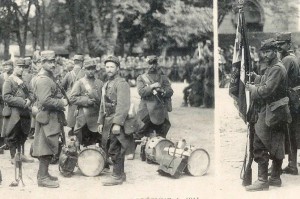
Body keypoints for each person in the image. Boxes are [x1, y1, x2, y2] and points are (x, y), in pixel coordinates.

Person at [245, 38, 291, 191]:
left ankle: (262, 181)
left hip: (271, 111)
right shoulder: (274, 66)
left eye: (268, 51)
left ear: (275, 51)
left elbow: (266, 90)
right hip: (278, 111)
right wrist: (257, 78)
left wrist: (251, 88)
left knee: (260, 142)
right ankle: (275, 178)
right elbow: (267, 82)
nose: (265, 55)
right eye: (263, 52)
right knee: (277, 143)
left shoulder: (277, 68)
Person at [32, 50, 68, 188]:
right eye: (49, 62)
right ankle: (42, 177)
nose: (52, 64)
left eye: (53, 62)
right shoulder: (43, 80)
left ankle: (44, 174)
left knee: (48, 144)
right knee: (45, 146)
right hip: (47, 117)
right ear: (42, 63)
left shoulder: (47, 77)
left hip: (49, 116)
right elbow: (45, 100)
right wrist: (61, 103)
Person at [97, 55, 131, 186]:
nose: (109, 69)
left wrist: (117, 123)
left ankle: (117, 176)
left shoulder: (121, 84)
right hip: (107, 120)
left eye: (112, 67)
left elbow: (123, 105)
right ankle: (120, 174)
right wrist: (100, 121)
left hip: (116, 121)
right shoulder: (106, 84)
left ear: (117, 68)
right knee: (110, 146)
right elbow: (103, 104)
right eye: (107, 67)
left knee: (115, 148)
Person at [276, 32, 300, 175]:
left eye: (282, 44)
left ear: (288, 44)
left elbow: (279, 80)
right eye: (278, 45)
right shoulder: (293, 58)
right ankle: (292, 164)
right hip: (295, 98)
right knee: (292, 132)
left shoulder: (287, 60)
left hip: (290, 100)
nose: (279, 47)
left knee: (289, 132)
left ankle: (290, 165)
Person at [2, 58, 34, 163]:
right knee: (13, 134)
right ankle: (13, 157)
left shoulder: (25, 80)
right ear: (14, 67)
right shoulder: (9, 80)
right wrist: (21, 101)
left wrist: (29, 100)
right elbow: (6, 97)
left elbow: (31, 93)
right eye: (19, 67)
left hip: (24, 111)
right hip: (13, 112)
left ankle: (21, 155)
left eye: (23, 67)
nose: (21, 69)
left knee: (23, 133)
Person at [136, 55, 173, 138]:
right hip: (146, 110)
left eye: (154, 63)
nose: (152, 66)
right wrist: (152, 86)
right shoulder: (141, 78)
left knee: (162, 135)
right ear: (146, 65)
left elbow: (170, 91)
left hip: (161, 110)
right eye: (150, 63)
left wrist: (162, 91)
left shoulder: (163, 78)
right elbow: (141, 92)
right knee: (138, 133)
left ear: (157, 65)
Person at [70, 58, 103, 147]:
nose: (91, 71)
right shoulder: (80, 83)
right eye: (88, 69)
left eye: (93, 69)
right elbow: (72, 98)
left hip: (97, 115)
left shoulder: (99, 83)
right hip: (84, 115)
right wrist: (87, 101)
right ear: (84, 69)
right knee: (83, 139)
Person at [61, 54, 85, 136]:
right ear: (82, 62)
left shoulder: (69, 74)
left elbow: (62, 86)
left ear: (74, 62)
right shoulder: (84, 73)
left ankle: (72, 131)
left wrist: (66, 95)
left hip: (71, 99)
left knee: (72, 117)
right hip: (81, 99)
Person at [0, 60, 14, 149]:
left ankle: (8, 143)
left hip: (12, 104)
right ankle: (2, 144)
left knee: (11, 124)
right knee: (2, 124)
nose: (5, 68)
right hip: (2, 104)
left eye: (8, 66)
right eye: (4, 66)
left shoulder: (14, 77)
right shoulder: (1, 77)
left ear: (12, 67)